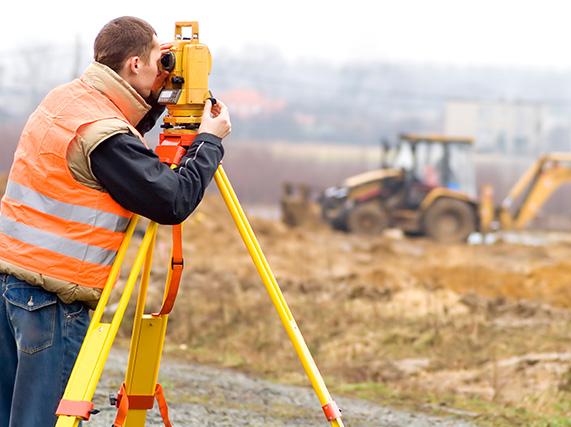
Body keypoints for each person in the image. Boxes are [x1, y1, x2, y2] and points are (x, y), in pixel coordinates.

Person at [0, 16, 231, 427]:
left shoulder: (68, 99)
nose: (165, 67)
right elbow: (172, 200)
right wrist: (209, 141)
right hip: (53, 300)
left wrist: (158, 100)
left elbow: (117, 138)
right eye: (158, 59)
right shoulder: (104, 135)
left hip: (12, 285)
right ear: (135, 65)